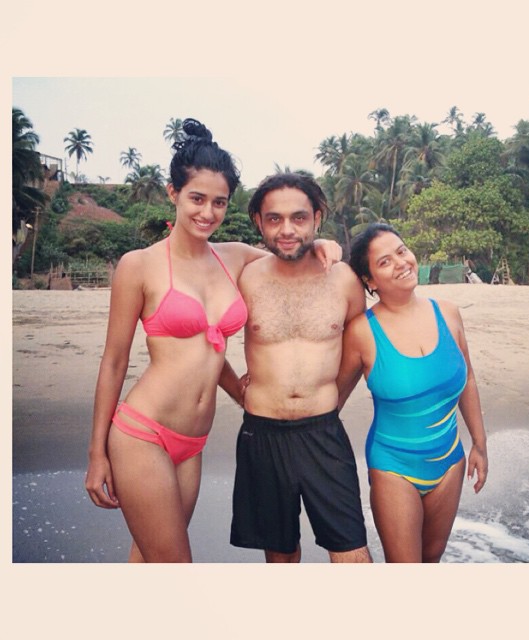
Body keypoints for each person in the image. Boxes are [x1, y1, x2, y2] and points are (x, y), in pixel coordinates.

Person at [84, 120, 340, 562]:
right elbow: (114, 362)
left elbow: (291, 251)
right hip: (143, 433)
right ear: (173, 193)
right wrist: (96, 454)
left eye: (219, 202)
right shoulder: (138, 266)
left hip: (192, 443)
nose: (208, 212)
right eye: (197, 198)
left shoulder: (235, 257)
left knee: (148, 559)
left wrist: (325, 244)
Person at [228, 172, 372, 563]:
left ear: (317, 218)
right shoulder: (243, 278)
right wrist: (235, 388)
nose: (287, 229)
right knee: (281, 554)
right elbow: (205, 342)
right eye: (274, 219)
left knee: (351, 552)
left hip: (323, 433)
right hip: (261, 435)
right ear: (258, 222)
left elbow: (358, 350)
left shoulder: (344, 280)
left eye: (299, 217)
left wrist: (333, 400)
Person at [336, 222, 488, 563]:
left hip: (450, 462)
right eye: (385, 261)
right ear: (370, 281)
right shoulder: (361, 332)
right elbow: (332, 401)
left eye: (402, 251)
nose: (401, 263)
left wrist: (479, 443)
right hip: (394, 467)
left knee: (431, 558)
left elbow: (468, 378)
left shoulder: (448, 313)